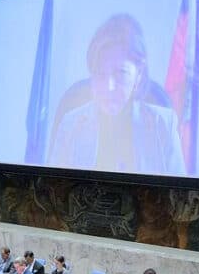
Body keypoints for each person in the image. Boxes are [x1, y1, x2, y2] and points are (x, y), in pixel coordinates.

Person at [48, 13, 185, 176]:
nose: (109, 87)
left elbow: (178, 196)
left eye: (121, 73)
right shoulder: (71, 124)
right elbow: (53, 187)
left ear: (139, 73)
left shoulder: (163, 125)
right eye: (100, 73)